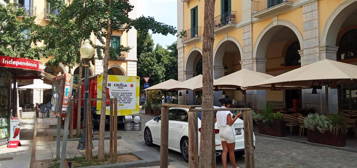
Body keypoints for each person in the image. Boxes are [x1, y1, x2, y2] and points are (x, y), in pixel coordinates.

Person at [216, 98, 242, 168]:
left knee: (224, 150)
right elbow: (230, 123)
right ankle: (235, 166)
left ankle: (225, 167)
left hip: (221, 131)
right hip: (228, 131)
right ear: (227, 104)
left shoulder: (218, 111)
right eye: (229, 105)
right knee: (231, 151)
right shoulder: (227, 111)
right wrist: (237, 116)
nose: (230, 106)